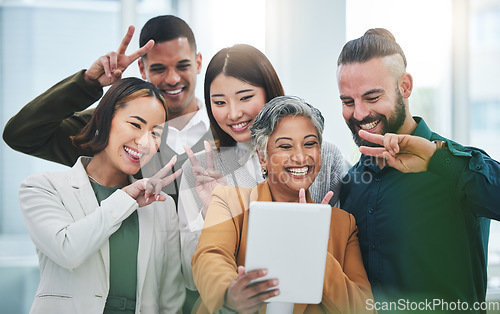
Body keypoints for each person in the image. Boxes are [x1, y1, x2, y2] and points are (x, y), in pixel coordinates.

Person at [336, 28, 500, 312]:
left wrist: (438, 160)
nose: (359, 114)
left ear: (406, 87)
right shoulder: (350, 183)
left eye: (372, 97)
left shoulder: (458, 166)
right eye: (348, 102)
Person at [177, 44, 350, 289]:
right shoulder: (198, 172)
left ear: (269, 93)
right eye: (219, 102)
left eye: (245, 97)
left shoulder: (323, 157)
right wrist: (214, 214)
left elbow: (344, 251)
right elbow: (189, 278)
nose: (234, 113)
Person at [191, 96, 373, 314]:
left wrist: (314, 253)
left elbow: (364, 308)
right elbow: (210, 256)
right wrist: (229, 293)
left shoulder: (343, 224)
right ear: (262, 157)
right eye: (285, 146)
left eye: (310, 144)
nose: (300, 156)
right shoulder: (229, 202)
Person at [2, 15, 210, 204]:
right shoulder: (107, 129)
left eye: (183, 66)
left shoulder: (227, 129)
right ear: (142, 69)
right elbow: (21, 135)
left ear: (198, 62)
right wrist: (87, 83)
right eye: (159, 68)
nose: (173, 79)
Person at [18, 78, 185, 313]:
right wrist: (125, 198)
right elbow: (68, 250)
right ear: (105, 120)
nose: (145, 142)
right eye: (136, 124)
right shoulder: (43, 188)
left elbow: (171, 299)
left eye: (155, 133)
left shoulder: (161, 206)